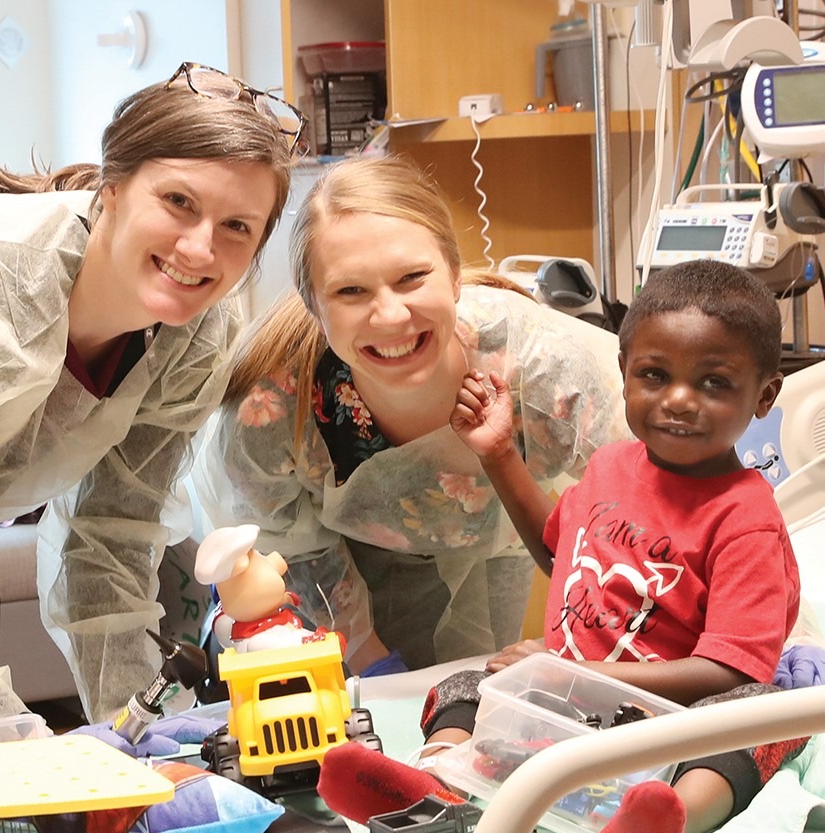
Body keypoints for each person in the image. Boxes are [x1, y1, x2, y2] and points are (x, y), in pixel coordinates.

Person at [316, 260, 803, 833]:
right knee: (469, 683)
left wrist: (577, 673)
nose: (678, 399)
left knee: (758, 716)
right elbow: (560, 553)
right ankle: (430, 792)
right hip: (564, 706)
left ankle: (669, 818)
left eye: (713, 383)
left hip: (673, 722)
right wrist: (497, 453)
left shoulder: (746, 521)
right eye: (654, 375)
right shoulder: (610, 467)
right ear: (624, 373)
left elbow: (726, 670)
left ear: (765, 394)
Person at [192, 155, 630, 679]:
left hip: (498, 540)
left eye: (412, 278)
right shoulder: (271, 407)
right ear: (313, 304)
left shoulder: (544, 370)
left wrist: (602, 655)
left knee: (480, 690)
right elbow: (293, 553)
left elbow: (656, 519)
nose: (391, 316)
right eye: (350, 291)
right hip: (343, 561)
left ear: (453, 274)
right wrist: (376, 671)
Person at [0, 61, 305, 723]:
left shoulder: (196, 339)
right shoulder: (4, 281)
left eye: (236, 228)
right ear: (113, 188)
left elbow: (108, 540)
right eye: (179, 202)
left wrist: (138, 738)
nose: (199, 248)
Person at [194, 523, 334, 653]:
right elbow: (295, 650)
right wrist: (321, 642)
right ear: (240, 568)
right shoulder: (257, 642)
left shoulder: (250, 623)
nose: (275, 560)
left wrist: (279, 598)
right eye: (261, 559)